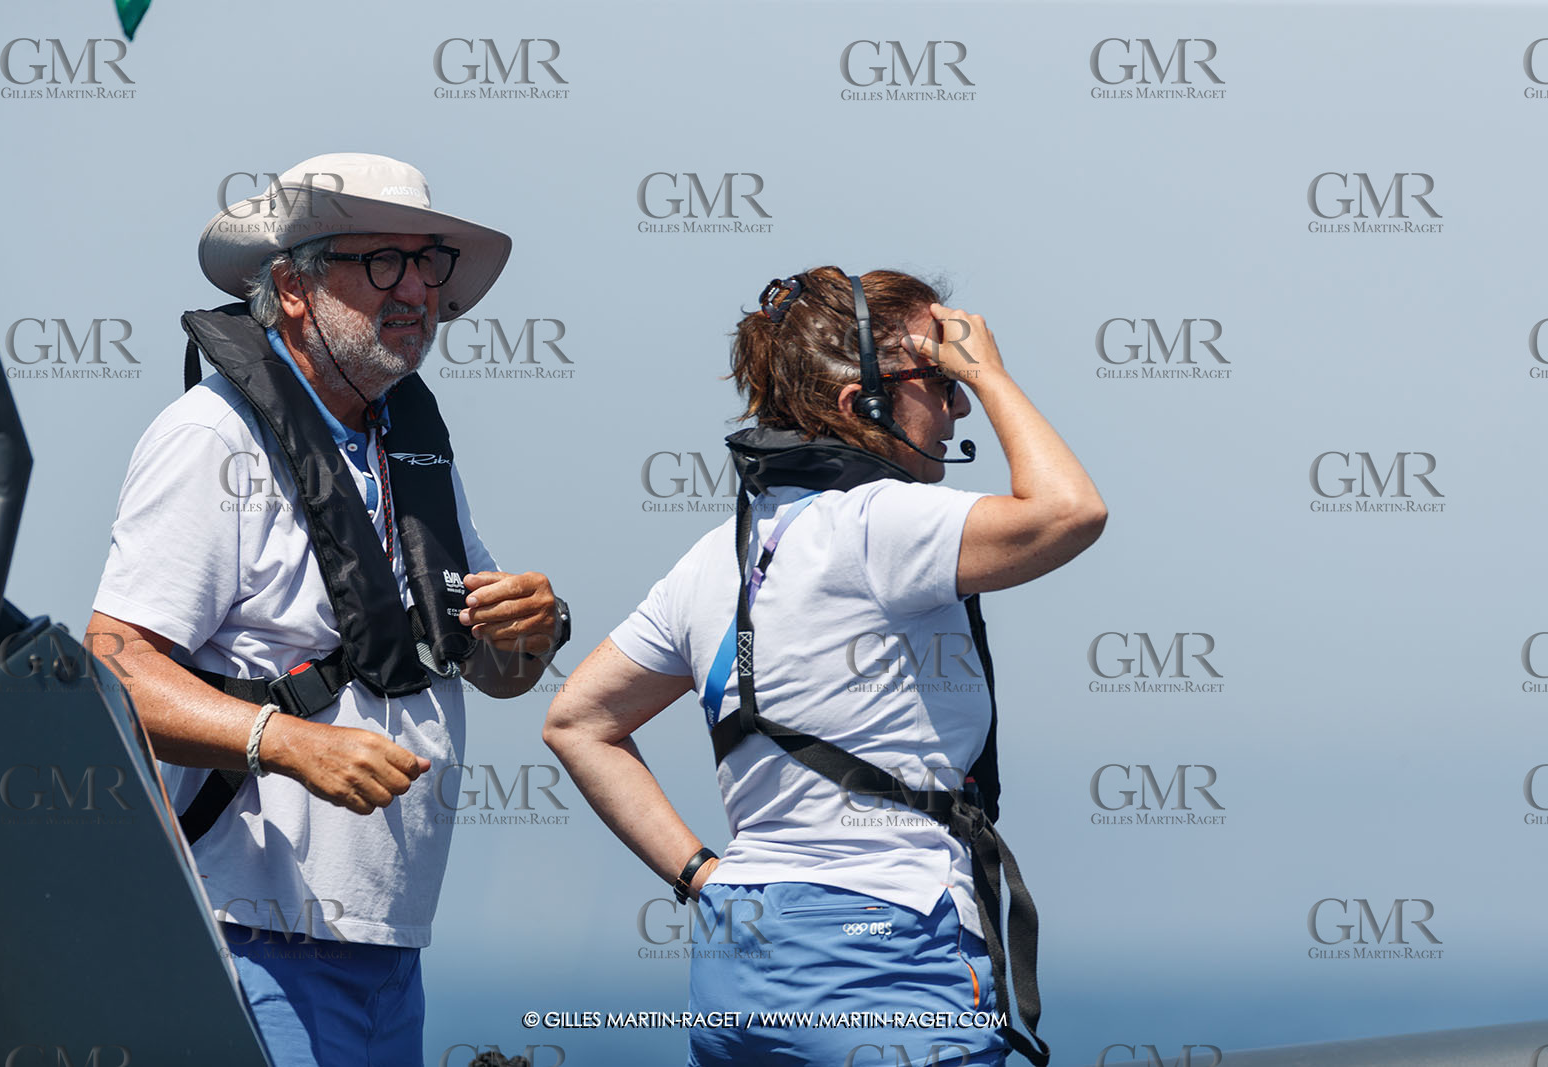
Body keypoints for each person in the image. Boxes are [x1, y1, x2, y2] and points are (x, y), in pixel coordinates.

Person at [544, 267, 1105, 1066]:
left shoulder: (717, 556)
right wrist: (993, 370)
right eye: (940, 379)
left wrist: (703, 876)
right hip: (885, 954)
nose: (958, 407)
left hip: (739, 955)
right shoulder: (877, 520)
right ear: (859, 406)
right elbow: (1069, 511)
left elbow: (577, 722)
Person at [85, 153, 570, 1067]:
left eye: (429, 263)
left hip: (388, 946)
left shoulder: (410, 447)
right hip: (248, 940)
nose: (417, 289)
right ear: (290, 287)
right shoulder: (210, 438)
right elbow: (113, 666)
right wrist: (289, 740)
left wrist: (531, 637)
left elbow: (498, 676)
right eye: (382, 262)